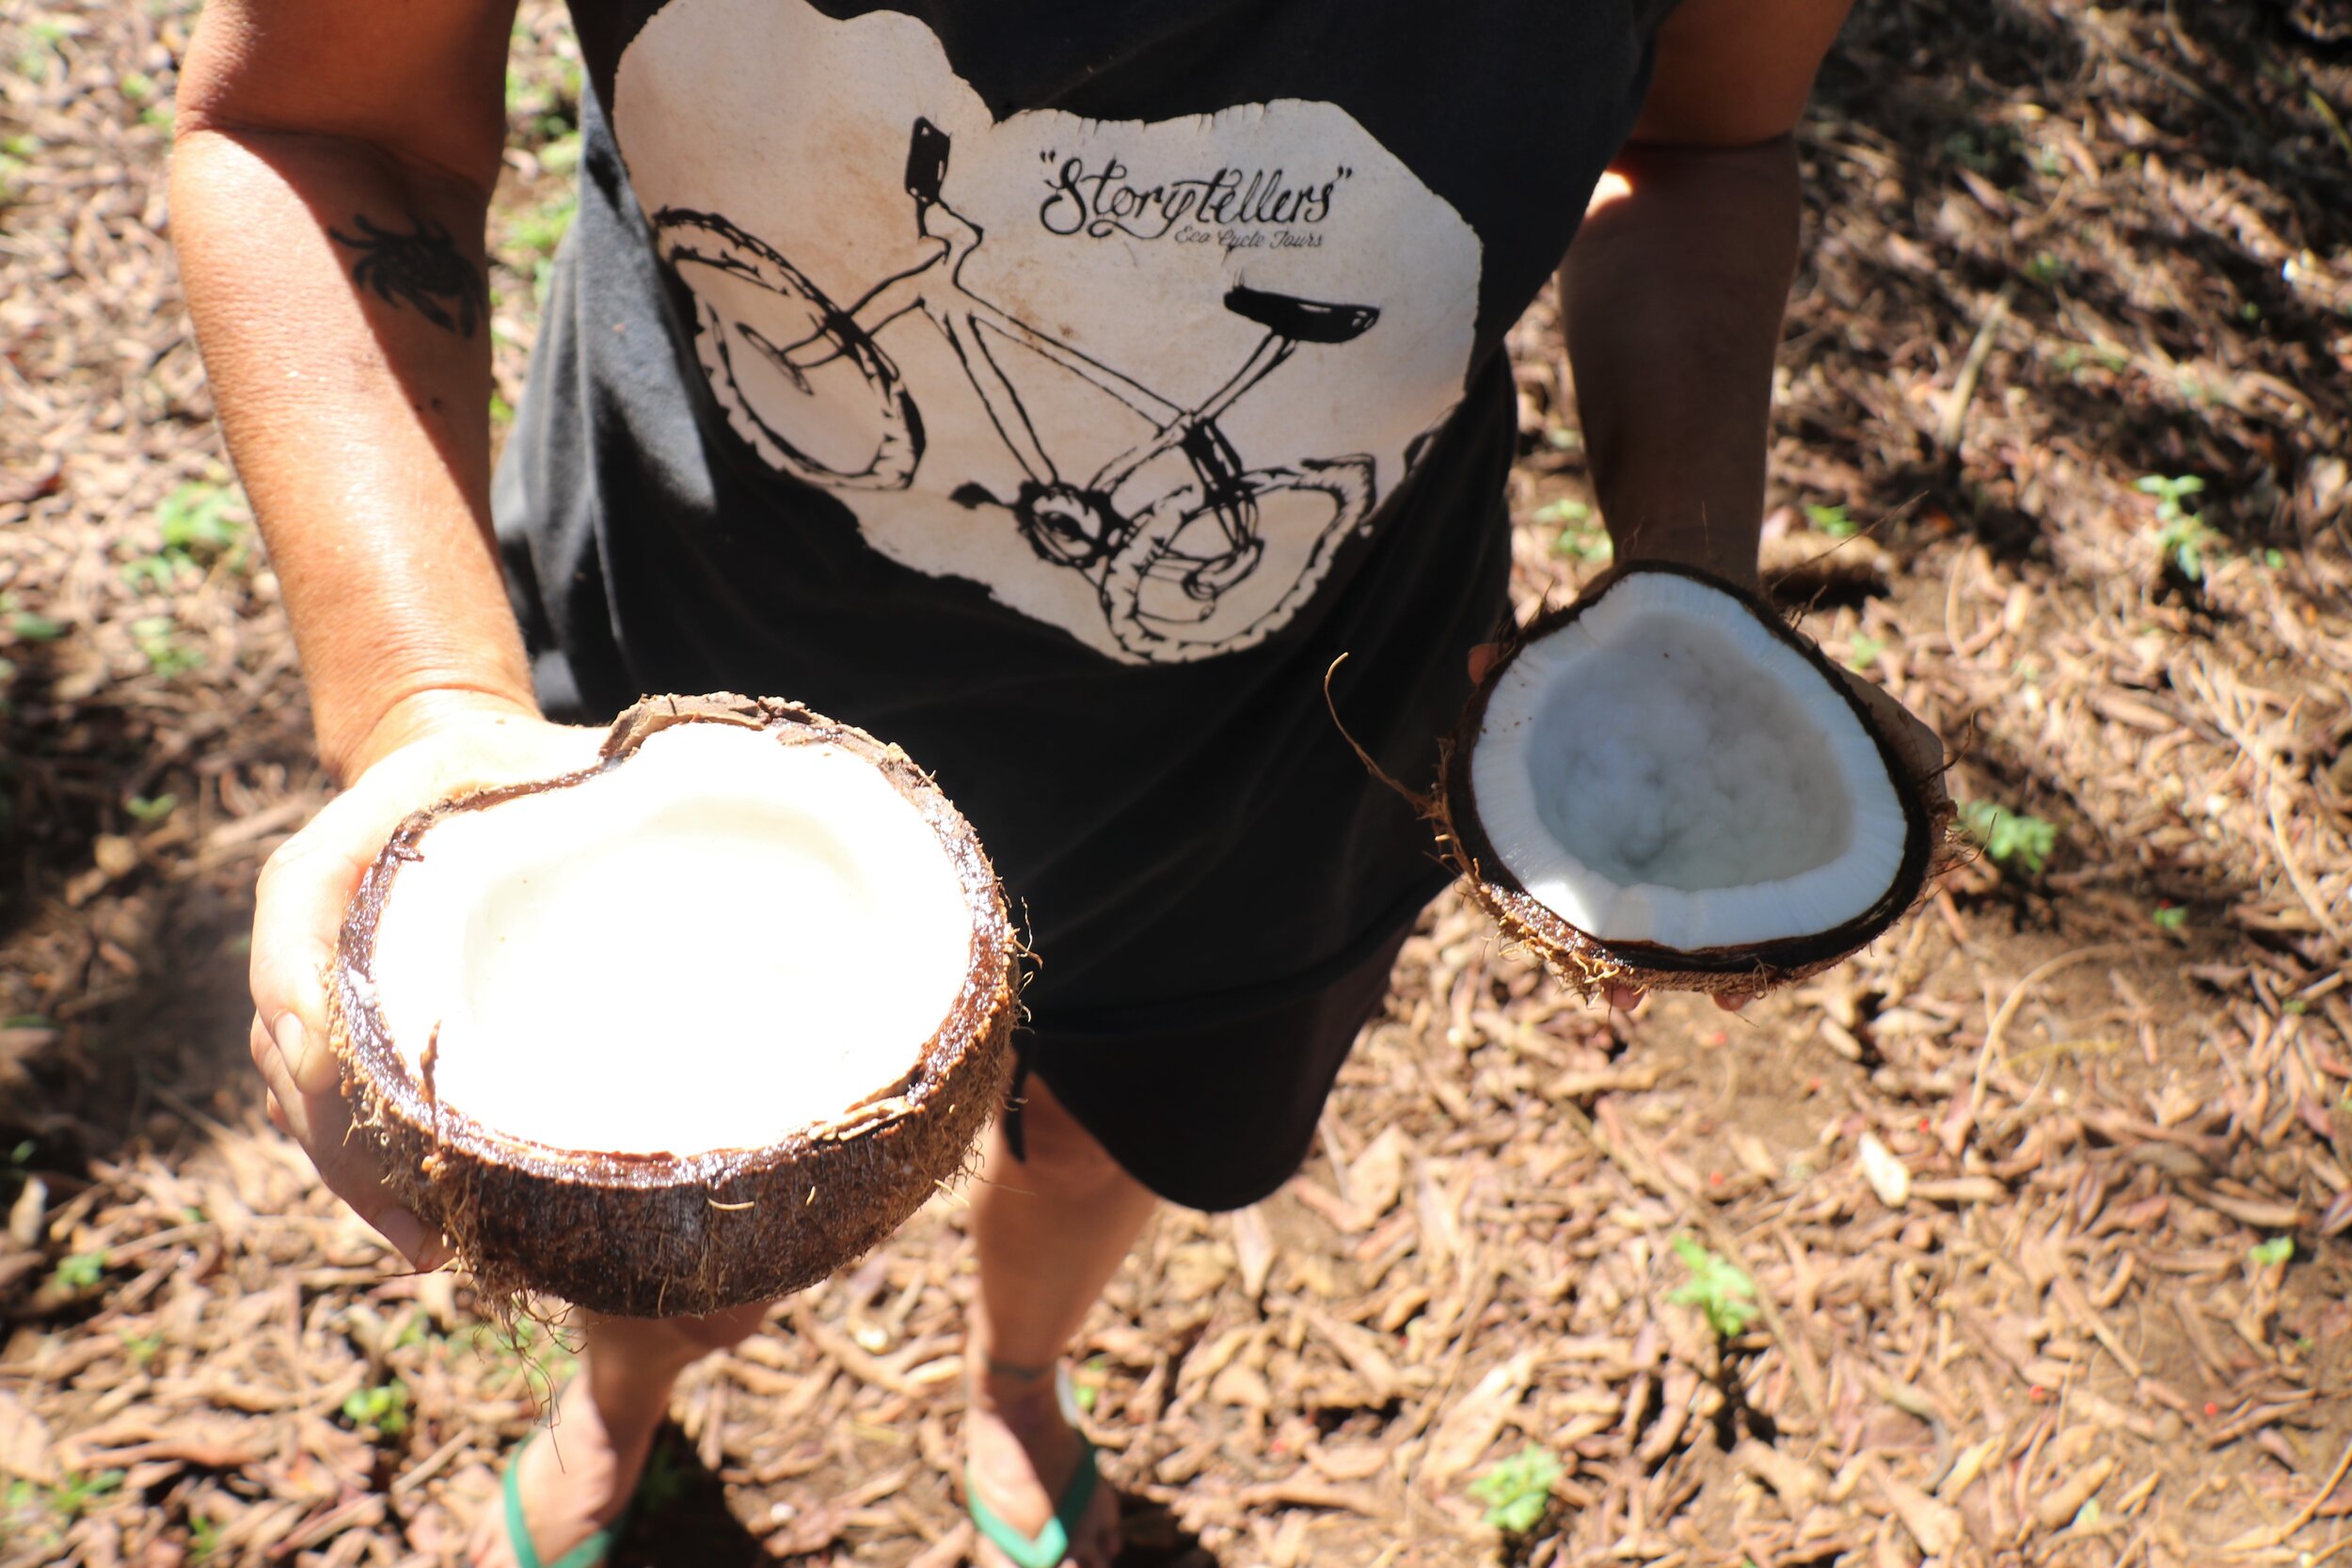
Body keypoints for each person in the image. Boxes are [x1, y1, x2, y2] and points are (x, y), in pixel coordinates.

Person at [171, 0, 1938, 1563]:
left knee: (1101, 1145)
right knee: (652, 1205)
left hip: (1279, 750)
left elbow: (1702, 139)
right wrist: (421, 706)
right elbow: (329, 113)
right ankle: (624, 1393)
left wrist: (1689, 563)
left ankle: (1017, 1381)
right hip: (680, 684)